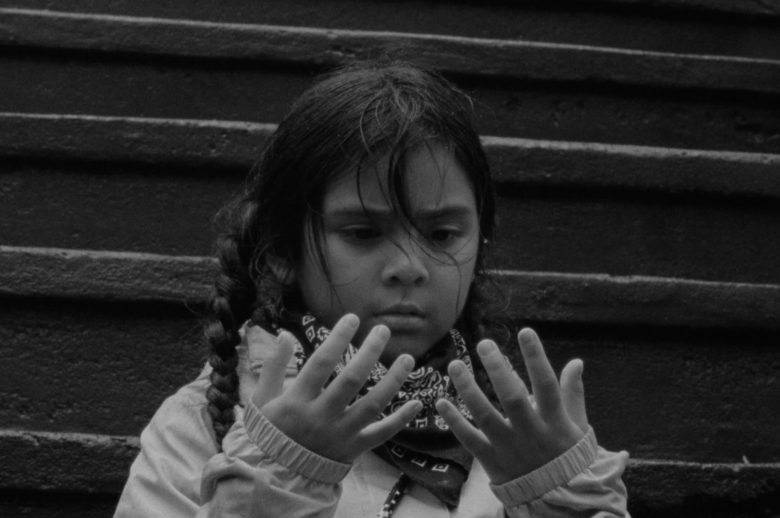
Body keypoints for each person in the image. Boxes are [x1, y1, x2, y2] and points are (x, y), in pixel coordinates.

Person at [114, 62, 630, 518]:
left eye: (443, 234)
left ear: (480, 247)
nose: (409, 267)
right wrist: (277, 479)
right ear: (281, 251)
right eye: (362, 233)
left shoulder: (528, 437)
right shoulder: (207, 421)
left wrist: (560, 501)